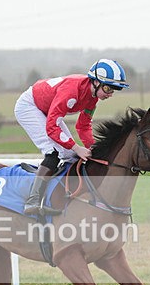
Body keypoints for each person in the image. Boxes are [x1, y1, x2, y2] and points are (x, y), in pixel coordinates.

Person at [14, 59, 129, 216]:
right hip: (30, 106)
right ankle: (32, 201)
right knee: (53, 151)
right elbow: (51, 128)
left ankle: (60, 196)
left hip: (47, 108)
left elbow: (83, 126)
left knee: (70, 155)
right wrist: (76, 147)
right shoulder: (71, 92)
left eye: (113, 90)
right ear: (95, 82)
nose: (109, 95)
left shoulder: (92, 98)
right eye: (108, 89)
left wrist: (93, 148)